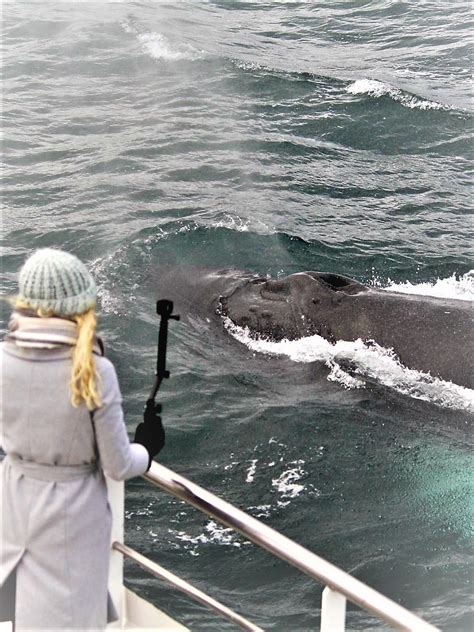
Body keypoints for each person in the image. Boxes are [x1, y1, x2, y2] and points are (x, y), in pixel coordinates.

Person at [0, 248, 165, 629]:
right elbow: (118, 464)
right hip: (69, 518)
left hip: (12, 504)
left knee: (22, 611)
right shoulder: (95, 370)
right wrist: (148, 448)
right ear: (80, 304)